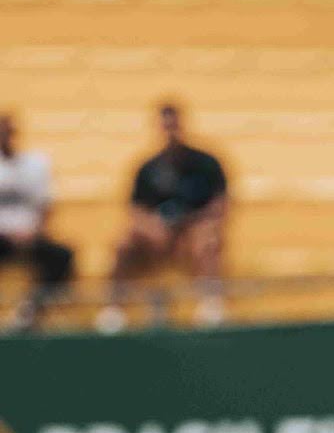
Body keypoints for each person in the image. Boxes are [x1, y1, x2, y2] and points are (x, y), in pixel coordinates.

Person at [97, 103, 227, 334]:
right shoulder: (148, 168)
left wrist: (194, 223)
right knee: (123, 244)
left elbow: (219, 204)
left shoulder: (206, 163)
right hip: (157, 233)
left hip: (192, 228)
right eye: (166, 127)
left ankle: (211, 305)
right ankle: (114, 309)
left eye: (174, 126)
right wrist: (152, 227)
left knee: (206, 240)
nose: (171, 133)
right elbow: (136, 209)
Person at [0, 113, 75, 329]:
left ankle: (31, 313)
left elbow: (45, 206)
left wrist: (35, 232)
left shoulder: (35, 164)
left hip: (31, 236)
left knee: (62, 256)